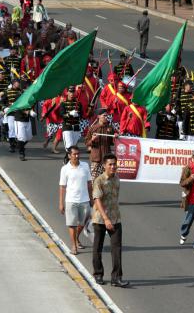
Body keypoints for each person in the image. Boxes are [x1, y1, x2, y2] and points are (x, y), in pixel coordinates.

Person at [91, 153, 129, 287]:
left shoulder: (117, 179)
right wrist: (106, 219)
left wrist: (112, 218)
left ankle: (116, 278)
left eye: (115, 164)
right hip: (100, 219)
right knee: (98, 247)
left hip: (115, 218)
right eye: (110, 164)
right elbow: (97, 201)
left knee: (117, 248)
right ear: (104, 166)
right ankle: (98, 274)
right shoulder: (99, 181)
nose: (113, 167)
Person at [59, 146, 92, 255]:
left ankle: (76, 238)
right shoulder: (65, 169)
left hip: (84, 200)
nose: (77, 156)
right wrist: (61, 203)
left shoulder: (85, 166)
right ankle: (74, 245)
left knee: (82, 223)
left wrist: (92, 199)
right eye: (74, 154)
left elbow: (89, 183)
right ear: (69, 156)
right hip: (71, 201)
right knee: (72, 224)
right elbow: (62, 187)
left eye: (78, 154)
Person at [85, 108, 115, 180]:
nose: (106, 117)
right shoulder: (93, 128)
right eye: (104, 116)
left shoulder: (110, 128)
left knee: (106, 180)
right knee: (94, 180)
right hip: (96, 159)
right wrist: (92, 140)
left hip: (107, 159)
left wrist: (116, 137)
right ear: (98, 116)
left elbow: (112, 143)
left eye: (107, 116)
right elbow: (86, 143)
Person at [59, 86, 82, 151]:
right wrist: (69, 114)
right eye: (70, 92)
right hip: (67, 127)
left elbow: (82, 115)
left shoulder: (78, 103)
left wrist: (78, 115)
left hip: (76, 127)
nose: (72, 94)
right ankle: (67, 160)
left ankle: (69, 160)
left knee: (74, 147)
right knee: (69, 148)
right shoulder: (63, 103)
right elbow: (62, 115)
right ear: (67, 92)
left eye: (73, 92)